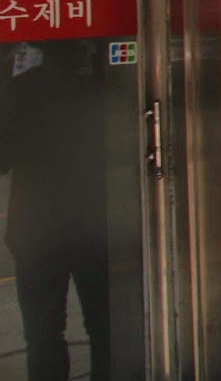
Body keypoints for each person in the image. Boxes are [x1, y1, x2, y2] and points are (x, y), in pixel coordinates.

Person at [0, 40, 110, 381]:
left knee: (43, 335)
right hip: (96, 226)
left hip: (36, 229)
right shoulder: (102, 90)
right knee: (105, 330)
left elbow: (2, 158)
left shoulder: (21, 90)